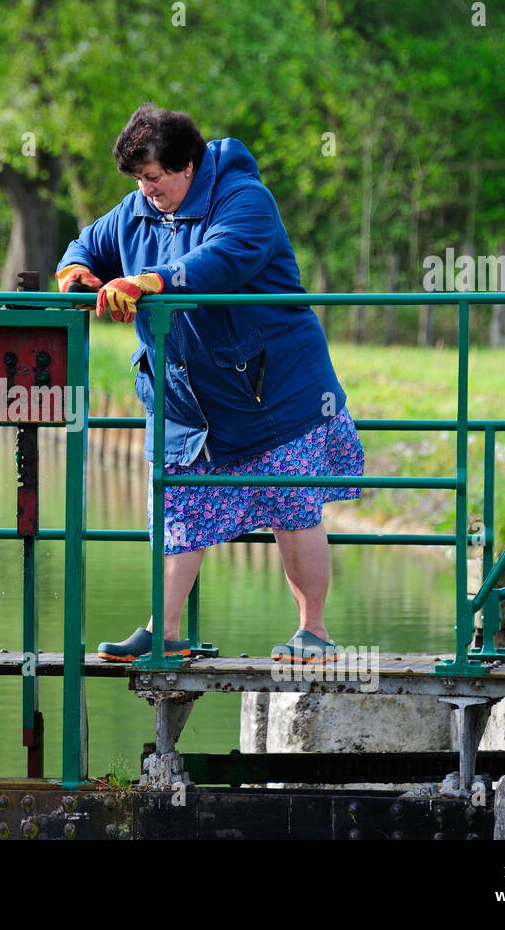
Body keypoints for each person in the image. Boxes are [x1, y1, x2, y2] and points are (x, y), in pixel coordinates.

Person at [55, 103, 364, 664]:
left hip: (274, 391)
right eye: (138, 180)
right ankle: (164, 631)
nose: (145, 190)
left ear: (187, 166)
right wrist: (74, 269)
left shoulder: (245, 199)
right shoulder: (137, 209)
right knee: (178, 508)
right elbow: (88, 242)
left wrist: (154, 280)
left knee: (293, 509)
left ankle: (313, 632)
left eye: (153, 177)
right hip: (187, 400)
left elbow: (226, 257)